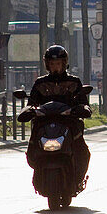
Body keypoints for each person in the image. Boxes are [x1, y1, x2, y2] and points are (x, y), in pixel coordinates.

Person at [25, 45, 90, 191]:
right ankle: (36, 162)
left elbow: (82, 101)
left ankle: (78, 176)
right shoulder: (40, 83)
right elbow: (32, 103)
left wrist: (83, 108)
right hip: (44, 122)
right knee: (33, 139)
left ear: (64, 63)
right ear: (47, 65)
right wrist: (28, 111)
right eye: (52, 64)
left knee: (82, 149)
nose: (55, 67)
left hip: (68, 122)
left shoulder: (74, 82)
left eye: (58, 64)